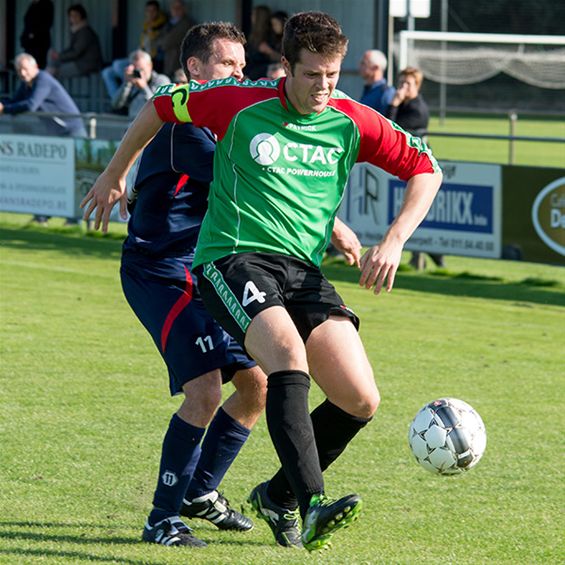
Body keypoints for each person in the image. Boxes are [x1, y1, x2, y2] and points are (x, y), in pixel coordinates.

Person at [81, 11, 443, 552]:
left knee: (359, 399)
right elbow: (161, 106)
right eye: (312, 75)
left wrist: (392, 241)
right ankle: (305, 500)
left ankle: (268, 495)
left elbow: (427, 168)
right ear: (287, 70)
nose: (323, 88)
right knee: (271, 367)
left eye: (333, 76)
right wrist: (114, 175)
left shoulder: (351, 118)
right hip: (218, 261)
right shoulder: (234, 104)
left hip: (301, 272)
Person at [0, 53, 86, 225]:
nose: (22, 73)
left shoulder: (43, 80)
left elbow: (31, 104)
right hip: (58, 135)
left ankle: (74, 220)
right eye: (19, 70)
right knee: (53, 176)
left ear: (35, 67)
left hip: (72, 131)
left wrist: (4, 109)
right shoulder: (27, 84)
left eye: (25, 68)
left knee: (73, 178)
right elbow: (14, 101)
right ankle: (42, 217)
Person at [387, 66, 444, 269]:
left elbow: (392, 132)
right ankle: (425, 255)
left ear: (417, 87)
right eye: (400, 82)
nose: (402, 87)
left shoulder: (416, 109)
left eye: (407, 84)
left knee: (412, 212)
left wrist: (393, 104)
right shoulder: (405, 104)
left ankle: (435, 253)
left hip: (417, 171)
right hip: (406, 170)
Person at [102, 1, 167, 99]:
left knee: (117, 64)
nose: (150, 13)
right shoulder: (147, 25)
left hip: (152, 61)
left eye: (153, 11)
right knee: (107, 72)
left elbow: (159, 47)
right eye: (148, 11)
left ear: (158, 12)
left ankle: (133, 82)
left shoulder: (162, 25)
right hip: (140, 59)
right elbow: (142, 45)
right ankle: (123, 89)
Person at [46, 4, 103, 79]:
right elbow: (71, 49)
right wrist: (59, 55)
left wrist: (59, 56)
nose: (73, 18)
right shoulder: (77, 30)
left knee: (54, 71)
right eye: (71, 16)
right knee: (52, 65)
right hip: (80, 62)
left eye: (76, 15)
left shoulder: (85, 32)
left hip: (87, 64)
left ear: (81, 16)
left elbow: (76, 52)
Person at [111, 49, 169, 121]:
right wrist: (126, 84)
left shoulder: (161, 80)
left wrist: (144, 87)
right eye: (136, 70)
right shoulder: (131, 82)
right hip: (133, 125)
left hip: (153, 125)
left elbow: (160, 108)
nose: (139, 73)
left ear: (150, 65)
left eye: (141, 69)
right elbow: (116, 104)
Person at [156, 0, 192, 78]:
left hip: (176, 64)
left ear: (184, 9)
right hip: (166, 62)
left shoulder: (185, 24)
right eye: (173, 7)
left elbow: (165, 43)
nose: (176, 10)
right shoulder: (170, 23)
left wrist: (161, 42)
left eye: (178, 7)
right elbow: (157, 40)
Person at [244, 5, 278, 79]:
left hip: (264, 68)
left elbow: (277, 58)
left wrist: (269, 51)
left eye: (254, 15)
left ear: (259, 18)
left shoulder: (270, 34)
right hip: (253, 67)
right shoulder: (254, 34)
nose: (251, 17)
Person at [20, 0, 54, 69]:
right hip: (30, 44)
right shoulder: (32, 4)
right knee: (28, 67)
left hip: (39, 43)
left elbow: (46, 23)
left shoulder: (46, 4)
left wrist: (33, 34)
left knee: (38, 67)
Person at [359, 49, 395, 114]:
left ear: (375, 67)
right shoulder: (369, 89)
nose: (360, 66)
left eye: (363, 63)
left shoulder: (386, 93)